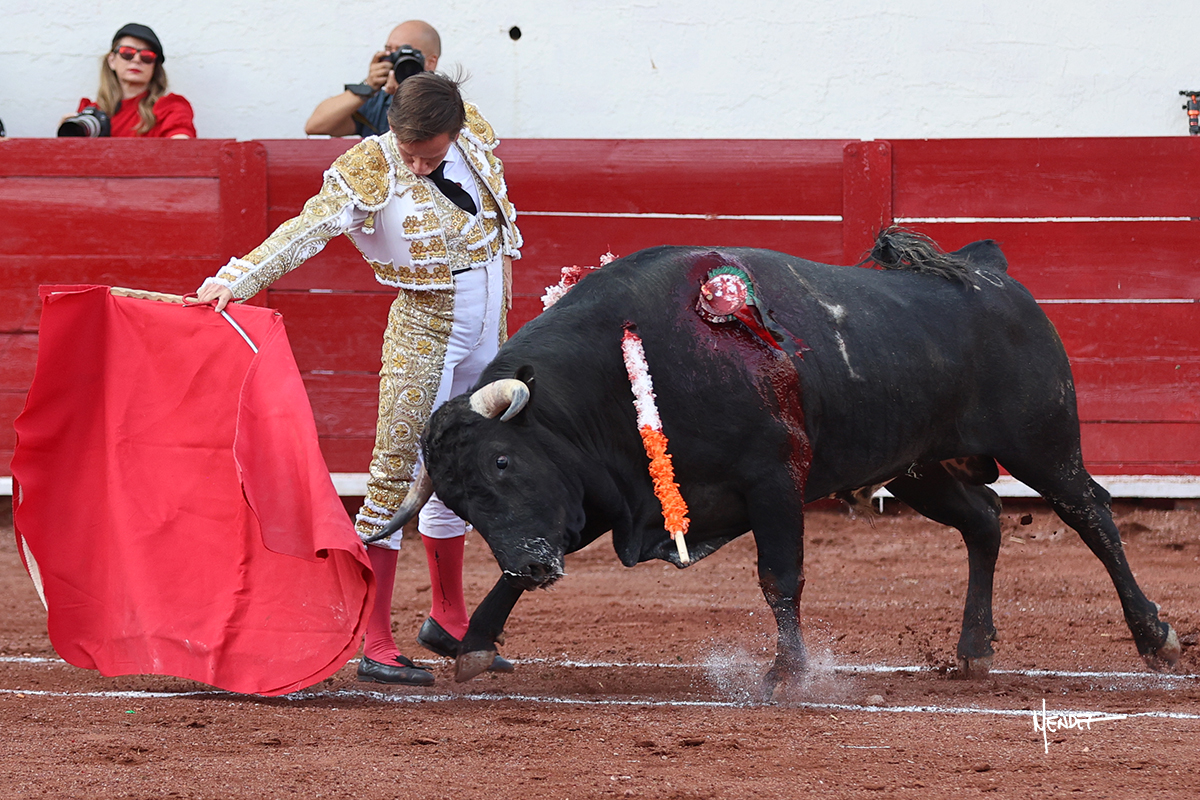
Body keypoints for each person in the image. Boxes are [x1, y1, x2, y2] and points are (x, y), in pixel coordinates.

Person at [193, 72, 521, 686]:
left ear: (454, 132)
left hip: (488, 326)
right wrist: (236, 279)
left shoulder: (471, 135)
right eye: (408, 152)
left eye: (429, 155)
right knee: (394, 475)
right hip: (425, 331)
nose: (416, 165)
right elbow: (308, 228)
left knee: (461, 467)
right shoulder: (371, 166)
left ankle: (448, 619)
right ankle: (374, 639)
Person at [305, 20, 441, 138]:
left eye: (404, 52)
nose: (397, 60)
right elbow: (315, 126)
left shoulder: (445, 102)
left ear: (431, 62)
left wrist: (405, 97)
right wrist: (368, 86)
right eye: (389, 51)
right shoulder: (378, 102)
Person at [72, 23, 195, 138]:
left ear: (155, 67)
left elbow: (181, 148)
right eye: (127, 52)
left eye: (147, 56)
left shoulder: (171, 109)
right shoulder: (91, 116)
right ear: (112, 60)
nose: (136, 60)